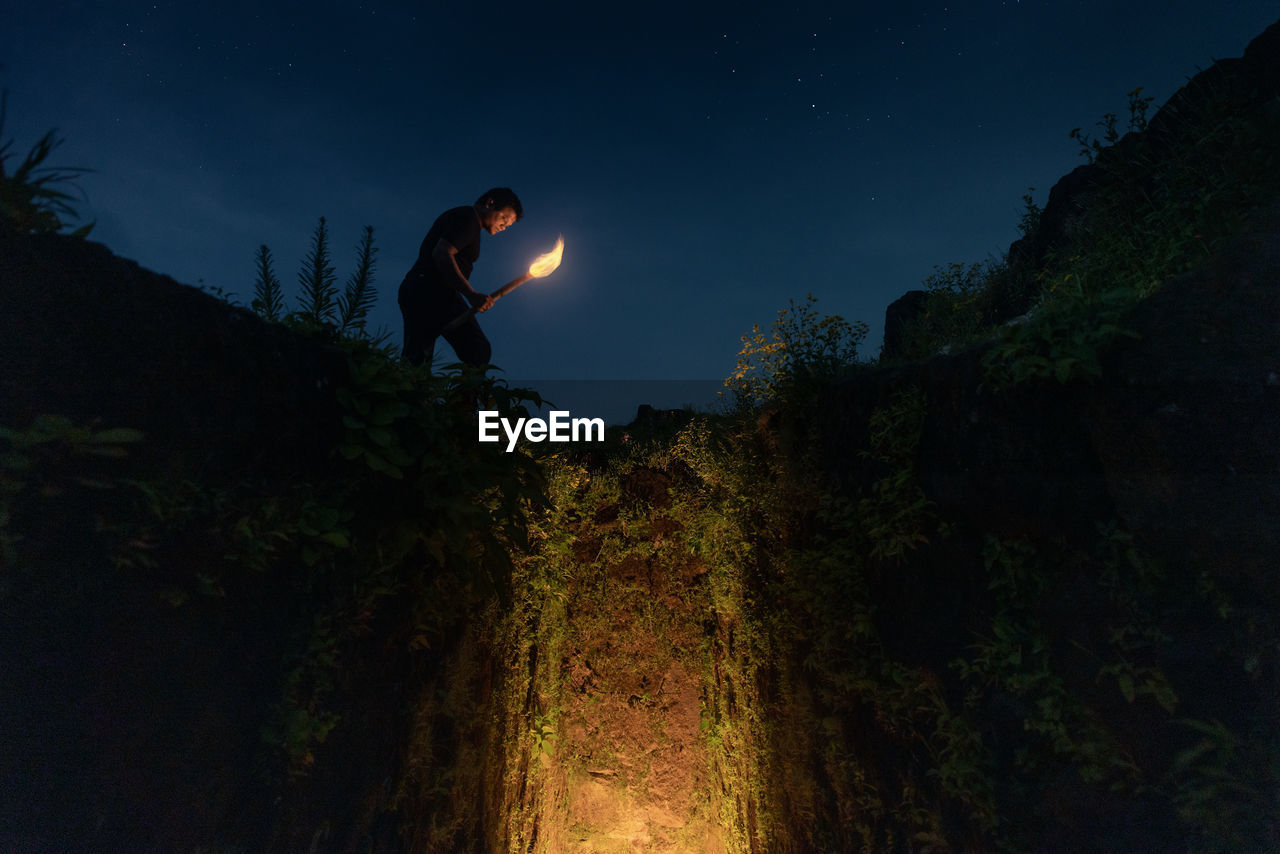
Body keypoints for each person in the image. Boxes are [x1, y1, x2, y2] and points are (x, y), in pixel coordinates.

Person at [398, 187, 523, 369]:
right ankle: (465, 398)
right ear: (490, 204)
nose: (504, 227)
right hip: (432, 291)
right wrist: (471, 294)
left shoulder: (464, 218)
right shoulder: (468, 218)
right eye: (504, 218)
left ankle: (412, 393)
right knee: (478, 351)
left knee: (416, 360)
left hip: (418, 288)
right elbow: (441, 253)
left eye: (508, 225)